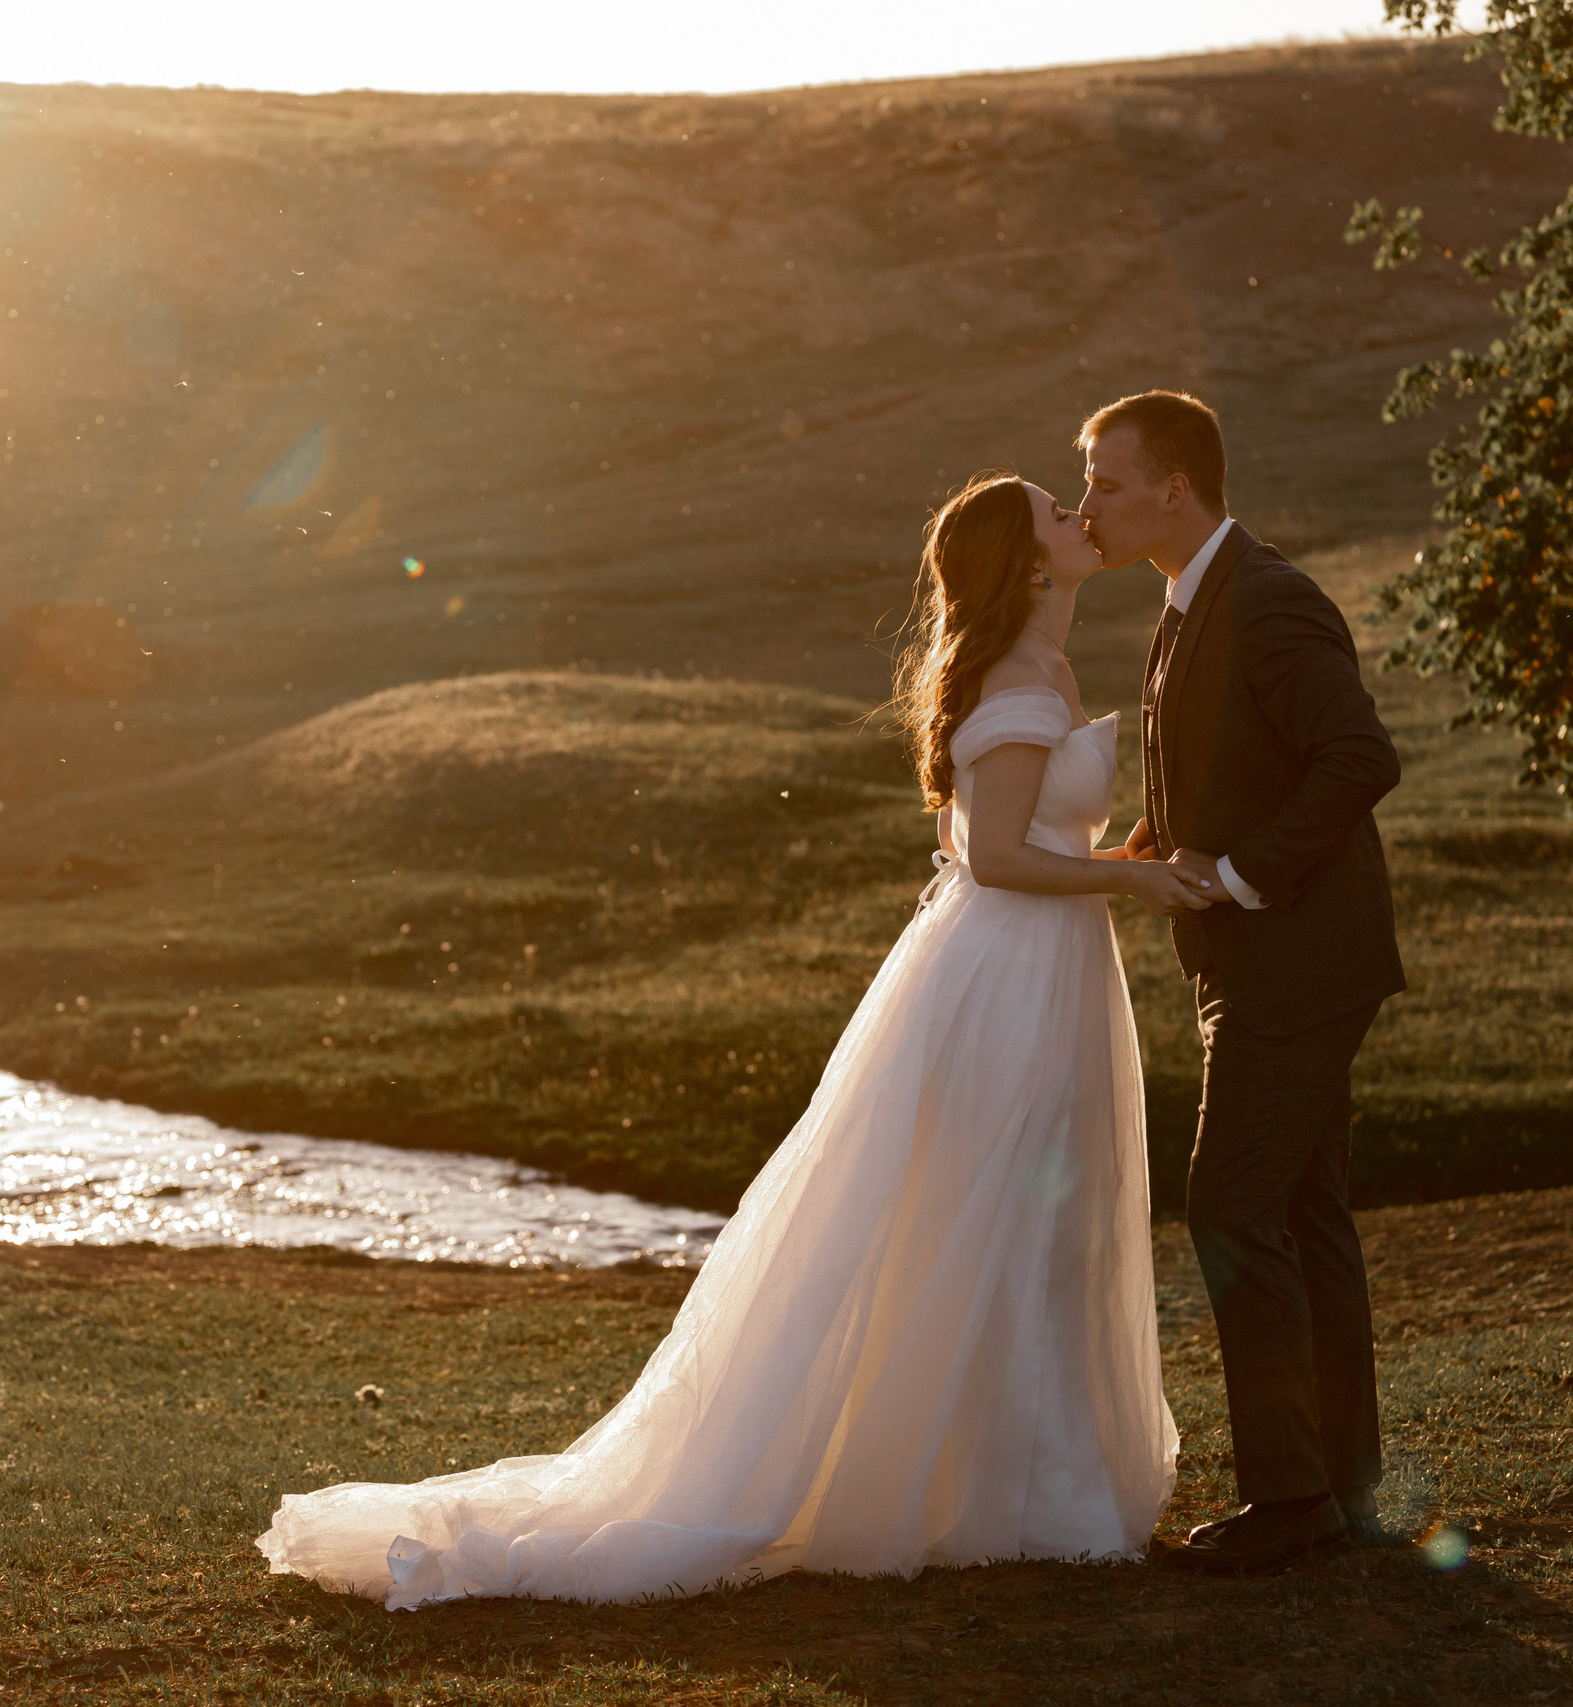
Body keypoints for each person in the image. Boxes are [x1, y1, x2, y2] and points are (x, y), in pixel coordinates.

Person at [256, 473, 1211, 1608]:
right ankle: (1003, 1494)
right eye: (1060, 512)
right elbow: (998, 857)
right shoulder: (1013, 678)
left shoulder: (1042, 666)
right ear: (1032, 562)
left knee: (1032, 1219)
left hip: (1044, 966)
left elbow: (1019, 834)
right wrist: (1133, 882)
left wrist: (1126, 856)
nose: (1081, 516)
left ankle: (1019, 1481)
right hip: (1009, 974)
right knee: (991, 1207)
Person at [1078, 390, 1408, 1572]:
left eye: (1106, 485)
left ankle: (1289, 1505)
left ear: (1176, 488)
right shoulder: (1187, 601)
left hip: (1296, 959)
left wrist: (1236, 873)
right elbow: (1228, 760)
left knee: (1229, 1207)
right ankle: (1340, 1488)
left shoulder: (1267, 599)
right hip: (1267, 957)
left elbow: (1359, 756)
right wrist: (1150, 842)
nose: (1087, 508)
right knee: (1306, 1212)